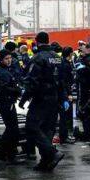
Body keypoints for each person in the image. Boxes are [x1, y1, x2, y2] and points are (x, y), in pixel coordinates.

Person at [19, 32, 66, 171]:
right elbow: (62, 80)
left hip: (41, 98)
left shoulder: (38, 58)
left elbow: (32, 82)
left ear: (37, 42)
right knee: (46, 130)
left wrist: (24, 98)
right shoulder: (57, 58)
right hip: (55, 98)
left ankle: (52, 153)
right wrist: (63, 98)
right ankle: (46, 161)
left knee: (31, 127)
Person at [0, 49, 22, 162]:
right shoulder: (1, 72)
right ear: (1, 59)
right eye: (6, 58)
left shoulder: (5, 70)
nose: (9, 60)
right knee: (12, 130)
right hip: (5, 102)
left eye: (10, 58)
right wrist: (17, 90)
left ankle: (4, 153)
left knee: (12, 129)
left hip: (7, 102)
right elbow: (4, 88)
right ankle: (6, 154)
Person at [76, 42, 90, 141]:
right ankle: (87, 132)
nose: (82, 49)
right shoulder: (85, 59)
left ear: (89, 49)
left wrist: (81, 69)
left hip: (88, 89)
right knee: (85, 111)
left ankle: (88, 133)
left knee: (87, 111)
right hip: (85, 88)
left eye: (84, 48)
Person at [59, 47, 75, 144]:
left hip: (65, 92)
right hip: (65, 93)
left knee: (65, 116)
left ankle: (64, 136)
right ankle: (64, 137)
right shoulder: (65, 65)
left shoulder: (64, 63)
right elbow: (64, 82)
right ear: (69, 54)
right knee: (65, 117)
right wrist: (68, 94)